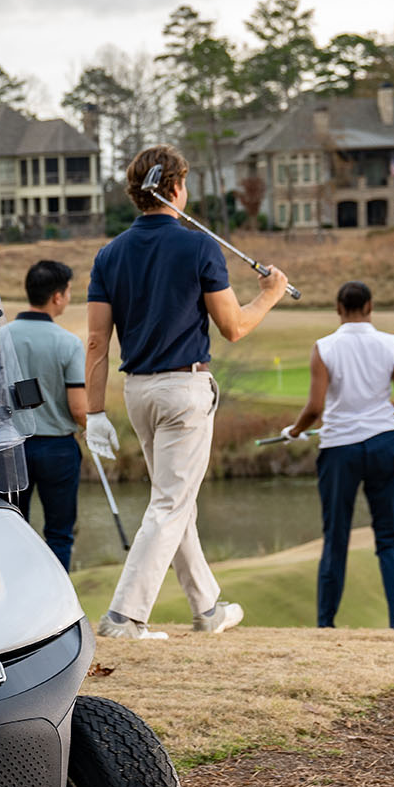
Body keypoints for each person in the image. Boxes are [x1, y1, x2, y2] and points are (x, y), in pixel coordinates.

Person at [85, 146, 290, 640]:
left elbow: (96, 340)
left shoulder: (109, 255)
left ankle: (208, 608)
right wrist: (271, 293)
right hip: (184, 391)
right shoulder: (199, 247)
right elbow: (234, 327)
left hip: (138, 394)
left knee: (176, 502)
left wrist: (95, 412)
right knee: (171, 504)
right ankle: (124, 617)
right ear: (175, 189)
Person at [281, 280, 394, 631]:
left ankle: (325, 625)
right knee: (390, 537)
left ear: (338, 308)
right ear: (371, 306)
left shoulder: (324, 347)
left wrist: (294, 431)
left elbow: (315, 407)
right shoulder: (391, 344)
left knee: (337, 537)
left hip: (339, 449)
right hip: (384, 445)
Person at [1, 260, 87, 571]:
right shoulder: (68, 342)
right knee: (59, 534)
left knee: (12, 530)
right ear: (57, 297)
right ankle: (58, 609)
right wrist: (91, 428)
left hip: (11, 448)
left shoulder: (0, 337)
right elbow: (79, 408)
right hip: (58, 450)